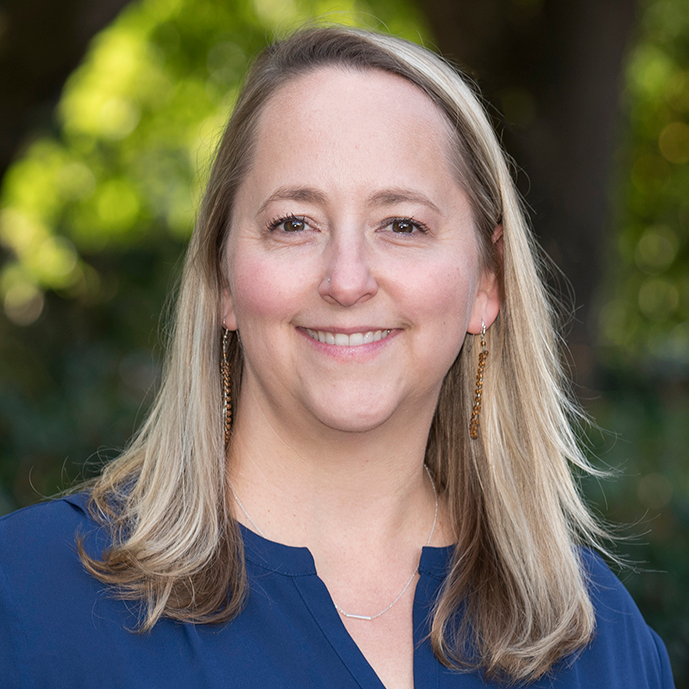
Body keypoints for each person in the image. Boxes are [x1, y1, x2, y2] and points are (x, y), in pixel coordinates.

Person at [0, 25, 675, 689]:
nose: (347, 280)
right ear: (222, 279)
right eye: (294, 223)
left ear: (487, 283)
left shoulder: (595, 641)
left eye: (402, 224)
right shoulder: (29, 601)